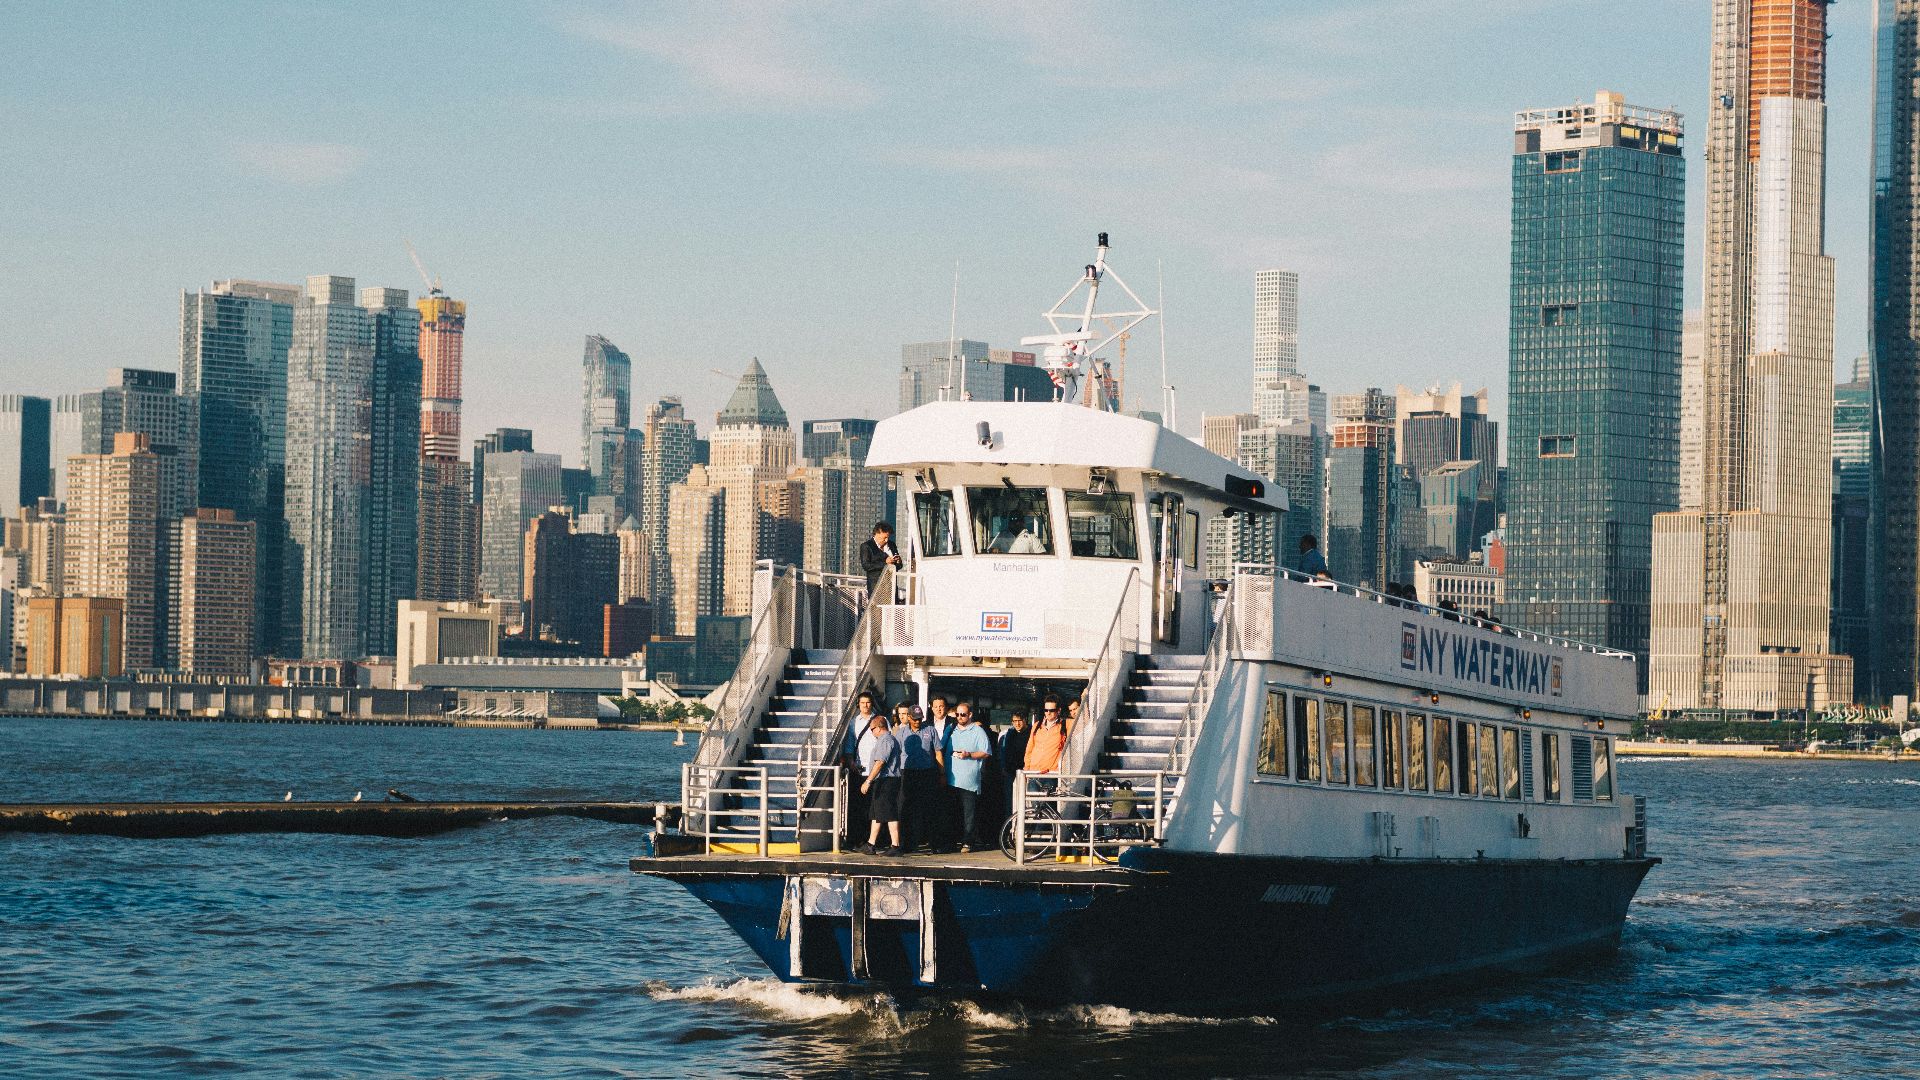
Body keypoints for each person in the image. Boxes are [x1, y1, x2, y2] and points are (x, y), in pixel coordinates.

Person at [945, 703, 994, 852]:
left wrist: (970, 755)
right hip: (950, 778)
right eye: (958, 715)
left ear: (970, 715)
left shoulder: (978, 731)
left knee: (969, 813)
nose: (960, 717)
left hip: (969, 780)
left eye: (963, 715)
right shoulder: (951, 729)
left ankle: (968, 841)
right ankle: (952, 841)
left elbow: (986, 752)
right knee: (953, 812)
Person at [858, 712, 904, 856]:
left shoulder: (885, 740)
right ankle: (871, 844)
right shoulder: (884, 740)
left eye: (871, 729)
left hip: (887, 781)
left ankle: (895, 845)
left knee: (889, 813)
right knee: (877, 813)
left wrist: (868, 780)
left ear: (878, 728)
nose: (871, 733)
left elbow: (880, 762)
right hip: (883, 781)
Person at [899, 703, 940, 853]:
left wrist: (941, 773)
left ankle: (932, 843)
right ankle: (907, 843)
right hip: (908, 774)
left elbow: (938, 753)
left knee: (928, 808)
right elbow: (896, 753)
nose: (917, 721)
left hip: (926, 773)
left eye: (920, 719)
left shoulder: (930, 730)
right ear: (909, 718)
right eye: (915, 719)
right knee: (906, 809)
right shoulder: (902, 733)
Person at [841, 691, 881, 843]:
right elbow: (850, 744)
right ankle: (858, 839)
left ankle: (874, 840)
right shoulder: (853, 722)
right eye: (862, 703)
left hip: (876, 770)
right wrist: (851, 762)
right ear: (858, 704)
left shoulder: (880, 720)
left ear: (872, 704)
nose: (865, 705)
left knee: (874, 807)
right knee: (859, 806)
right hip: (859, 768)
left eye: (868, 702)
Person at [997, 709, 1031, 822]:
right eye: (1014, 721)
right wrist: (1004, 768)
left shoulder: (1032, 733)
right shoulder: (1009, 734)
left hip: (1027, 773)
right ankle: (1010, 828)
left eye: (1019, 720)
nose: (1017, 723)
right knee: (1010, 802)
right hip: (1010, 773)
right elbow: (1003, 752)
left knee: (1027, 802)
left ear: (1026, 720)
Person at [1024, 695, 1068, 776]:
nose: (1048, 713)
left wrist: (1085, 698)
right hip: (1034, 772)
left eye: (1052, 710)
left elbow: (1085, 722)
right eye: (1046, 710)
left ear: (1058, 711)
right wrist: (1027, 770)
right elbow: (1029, 749)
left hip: (1052, 774)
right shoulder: (1037, 725)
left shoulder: (1065, 725)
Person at [860, 521, 903, 601]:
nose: (886, 540)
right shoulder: (866, 546)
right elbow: (866, 566)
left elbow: (898, 567)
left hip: (891, 586)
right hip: (876, 587)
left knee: (892, 611)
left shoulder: (892, 545)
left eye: (888, 537)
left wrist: (898, 562)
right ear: (877, 534)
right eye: (884, 537)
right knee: (876, 612)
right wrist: (885, 563)